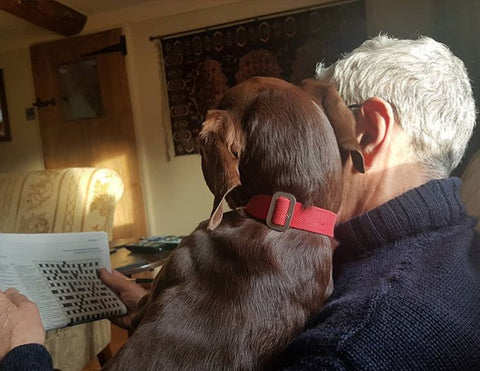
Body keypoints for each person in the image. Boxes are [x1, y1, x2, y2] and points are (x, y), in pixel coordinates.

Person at [1, 35, 479, 370]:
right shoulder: (454, 258)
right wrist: (163, 311)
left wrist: (20, 354)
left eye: (316, 127)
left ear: (367, 133)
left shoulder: (352, 344)